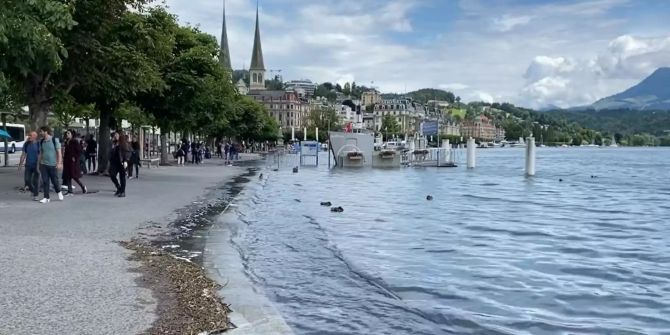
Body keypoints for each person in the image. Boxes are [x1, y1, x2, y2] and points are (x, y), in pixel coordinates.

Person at [37, 126, 63, 203]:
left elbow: (59, 153)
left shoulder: (54, 140)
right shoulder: (41, 141)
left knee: (55, 181)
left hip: (53, 164)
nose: (40, 133)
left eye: (41, 131)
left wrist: (59, 163)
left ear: (46, 132)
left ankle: (59, 192)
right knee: (45, 181)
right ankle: (46, 197)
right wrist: (38, 163)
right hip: (43, 164)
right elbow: (41, 153)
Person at [62, 130, 87, 195]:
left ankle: (83, 186)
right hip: (67, 161)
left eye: (68, 133)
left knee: (74, 176)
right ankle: (70, 191)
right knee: (67, 176)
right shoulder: (66, 141)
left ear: (72, 134)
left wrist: (75, 157)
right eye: (66, 133)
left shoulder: (74, 141)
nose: (67, 134)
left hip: (73, 162)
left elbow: (79, 151)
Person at [18, 131, 40, 201]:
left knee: (36, 181)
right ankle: (33, 191)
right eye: (29, 135)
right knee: (27, 180)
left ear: (35, 136)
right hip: (28, 165)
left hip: (37, 165)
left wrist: (39, 165)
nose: (29, 136)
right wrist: (20, 164)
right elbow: (23, 154)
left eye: (30, 135)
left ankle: (36, 195)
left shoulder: (39, 144)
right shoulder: (26, 144)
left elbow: (41, 155)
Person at [109, 131, 130, 197]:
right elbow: (111, 152)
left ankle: (123, 191)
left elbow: (127, 152)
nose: (115, 136)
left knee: (122, 177)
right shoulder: (114, 143)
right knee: (112, 174)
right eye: (115, 135)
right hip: (114, 162)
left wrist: (126, 161)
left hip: (121, 162)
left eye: (116, 135)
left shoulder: (123, 143)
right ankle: (118, 187)